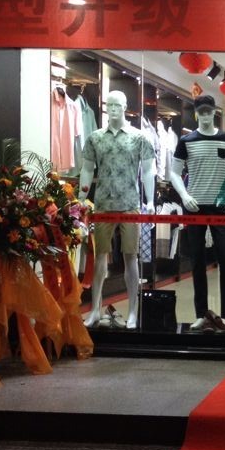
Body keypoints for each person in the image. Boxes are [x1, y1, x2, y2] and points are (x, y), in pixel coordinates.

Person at [78, 90, 156, 329]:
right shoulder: (95, 138)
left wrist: (150, 200)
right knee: (100, 257)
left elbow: (148, 170)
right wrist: (81, 198)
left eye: (117, 105)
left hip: (130, 204)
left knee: (130, 257)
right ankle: (95, 310)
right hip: (103, 205)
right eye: (109, 105)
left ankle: (132, 311)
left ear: (125, 107)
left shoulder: (139, 137)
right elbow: (87, 169)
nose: (112, 109)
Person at [169, 94, 225, 333]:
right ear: (196, 113)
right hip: (194, 205)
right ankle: (201, 314)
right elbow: (174, 172)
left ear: (214, 113)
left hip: (221, 204)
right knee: (197, 260)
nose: (204, 116)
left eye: (208, 111)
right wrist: (184, 195)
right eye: (200, 112)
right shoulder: (186, 140)